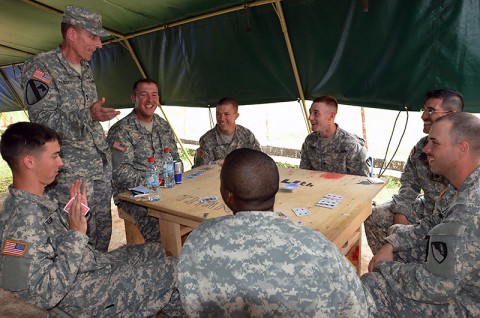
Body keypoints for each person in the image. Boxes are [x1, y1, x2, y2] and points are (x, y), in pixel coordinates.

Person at [0, 122, 183, 317]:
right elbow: (45, 294)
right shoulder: (20, 221)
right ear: (29, 162)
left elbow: (53, 239)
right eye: (54, 156)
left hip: (89, 267)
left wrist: (76, 212)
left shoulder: (38, 197)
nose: (61, 163)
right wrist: (76, 234)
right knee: (173, 269)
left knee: (156, 250)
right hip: (83, 296)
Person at [178, 148, 376, 317]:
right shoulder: (320, 247)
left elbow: (190, 305)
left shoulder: (199, 239)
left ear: (228, 195)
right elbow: (358, 310)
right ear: (275, 189)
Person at [21, 5, 120, 252]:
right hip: (70, 174)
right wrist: (89, 114)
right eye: (93, 36)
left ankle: (97, 282)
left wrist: (94, 118)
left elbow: (86, 119)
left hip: (98, 167)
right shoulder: (41, 68)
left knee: (101, 233)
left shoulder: (85, 69)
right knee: (74, 238)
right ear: (72, 34)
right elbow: (42, 124)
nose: (99, 44)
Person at [362, 112, 480, 317]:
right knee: (396, 243)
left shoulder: (469, 208)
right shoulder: (461, 186)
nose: (426, 149)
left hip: (471, 301)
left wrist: (386, 268)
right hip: (464, 277)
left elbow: (437, 285)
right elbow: (434, 223)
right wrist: (392, 243)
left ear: (462, 149)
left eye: (435, 143)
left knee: (373, 286)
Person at [364, 89, 464, 254]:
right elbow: (409, 186)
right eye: (424, 110)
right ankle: (392, 268)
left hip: (454, 217)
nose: (423, 116)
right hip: (427, 208)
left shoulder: (467, 150)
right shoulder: (421, 147)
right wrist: (400, 220)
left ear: (451, 114)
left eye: (431, 110)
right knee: (375, 216)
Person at [107, 78, 180, 242]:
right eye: (144, 95)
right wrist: (155, 182)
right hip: (133, 195)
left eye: (154, 95)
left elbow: (174, 158)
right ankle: (162, 259)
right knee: (161, 229)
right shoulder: (121, 130)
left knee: (189, 212)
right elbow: (120, 172)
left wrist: (171, 180)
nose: (150, 100)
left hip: (165, 187)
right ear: (134, 98)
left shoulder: (163, 125)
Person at [300, 96, 369, 176]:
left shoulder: (350, 145)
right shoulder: (310, 141)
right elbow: (303, 174)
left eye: (316, 113)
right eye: (310, 112)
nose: (310, 117)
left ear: (332, 116)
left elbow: (362, 181)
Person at [193, 97, 262, 167]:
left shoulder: (246, 135)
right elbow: (201, 169)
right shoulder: (207, 140)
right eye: (218, 114)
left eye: (226, 114)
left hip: (243, 176)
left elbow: (259, 159)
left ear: (236, 116)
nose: (222, 118)